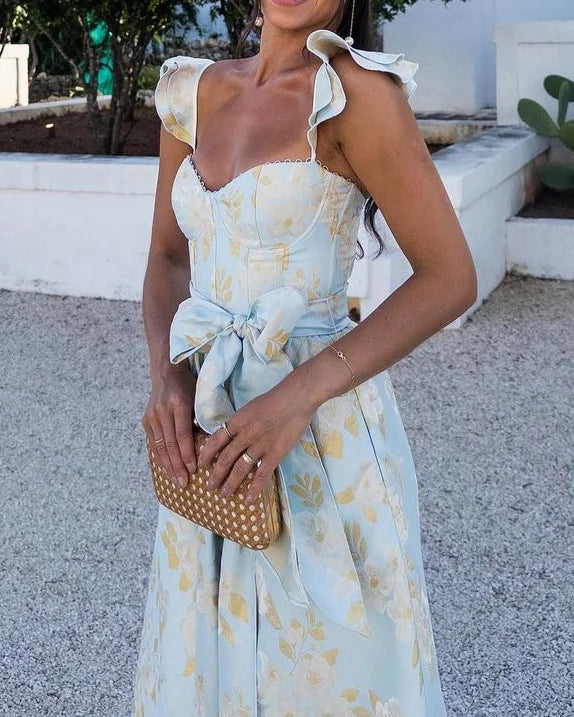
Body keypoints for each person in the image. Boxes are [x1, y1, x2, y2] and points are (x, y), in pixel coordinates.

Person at [131, 0, 477, 714]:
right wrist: (168, 376)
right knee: (206, 655)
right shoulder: (190, 93)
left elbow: (450, 276)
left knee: (330, 669)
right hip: (210, 436)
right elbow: (166, 258)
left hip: (322, 437)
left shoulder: (355, 95)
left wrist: (297, 397)